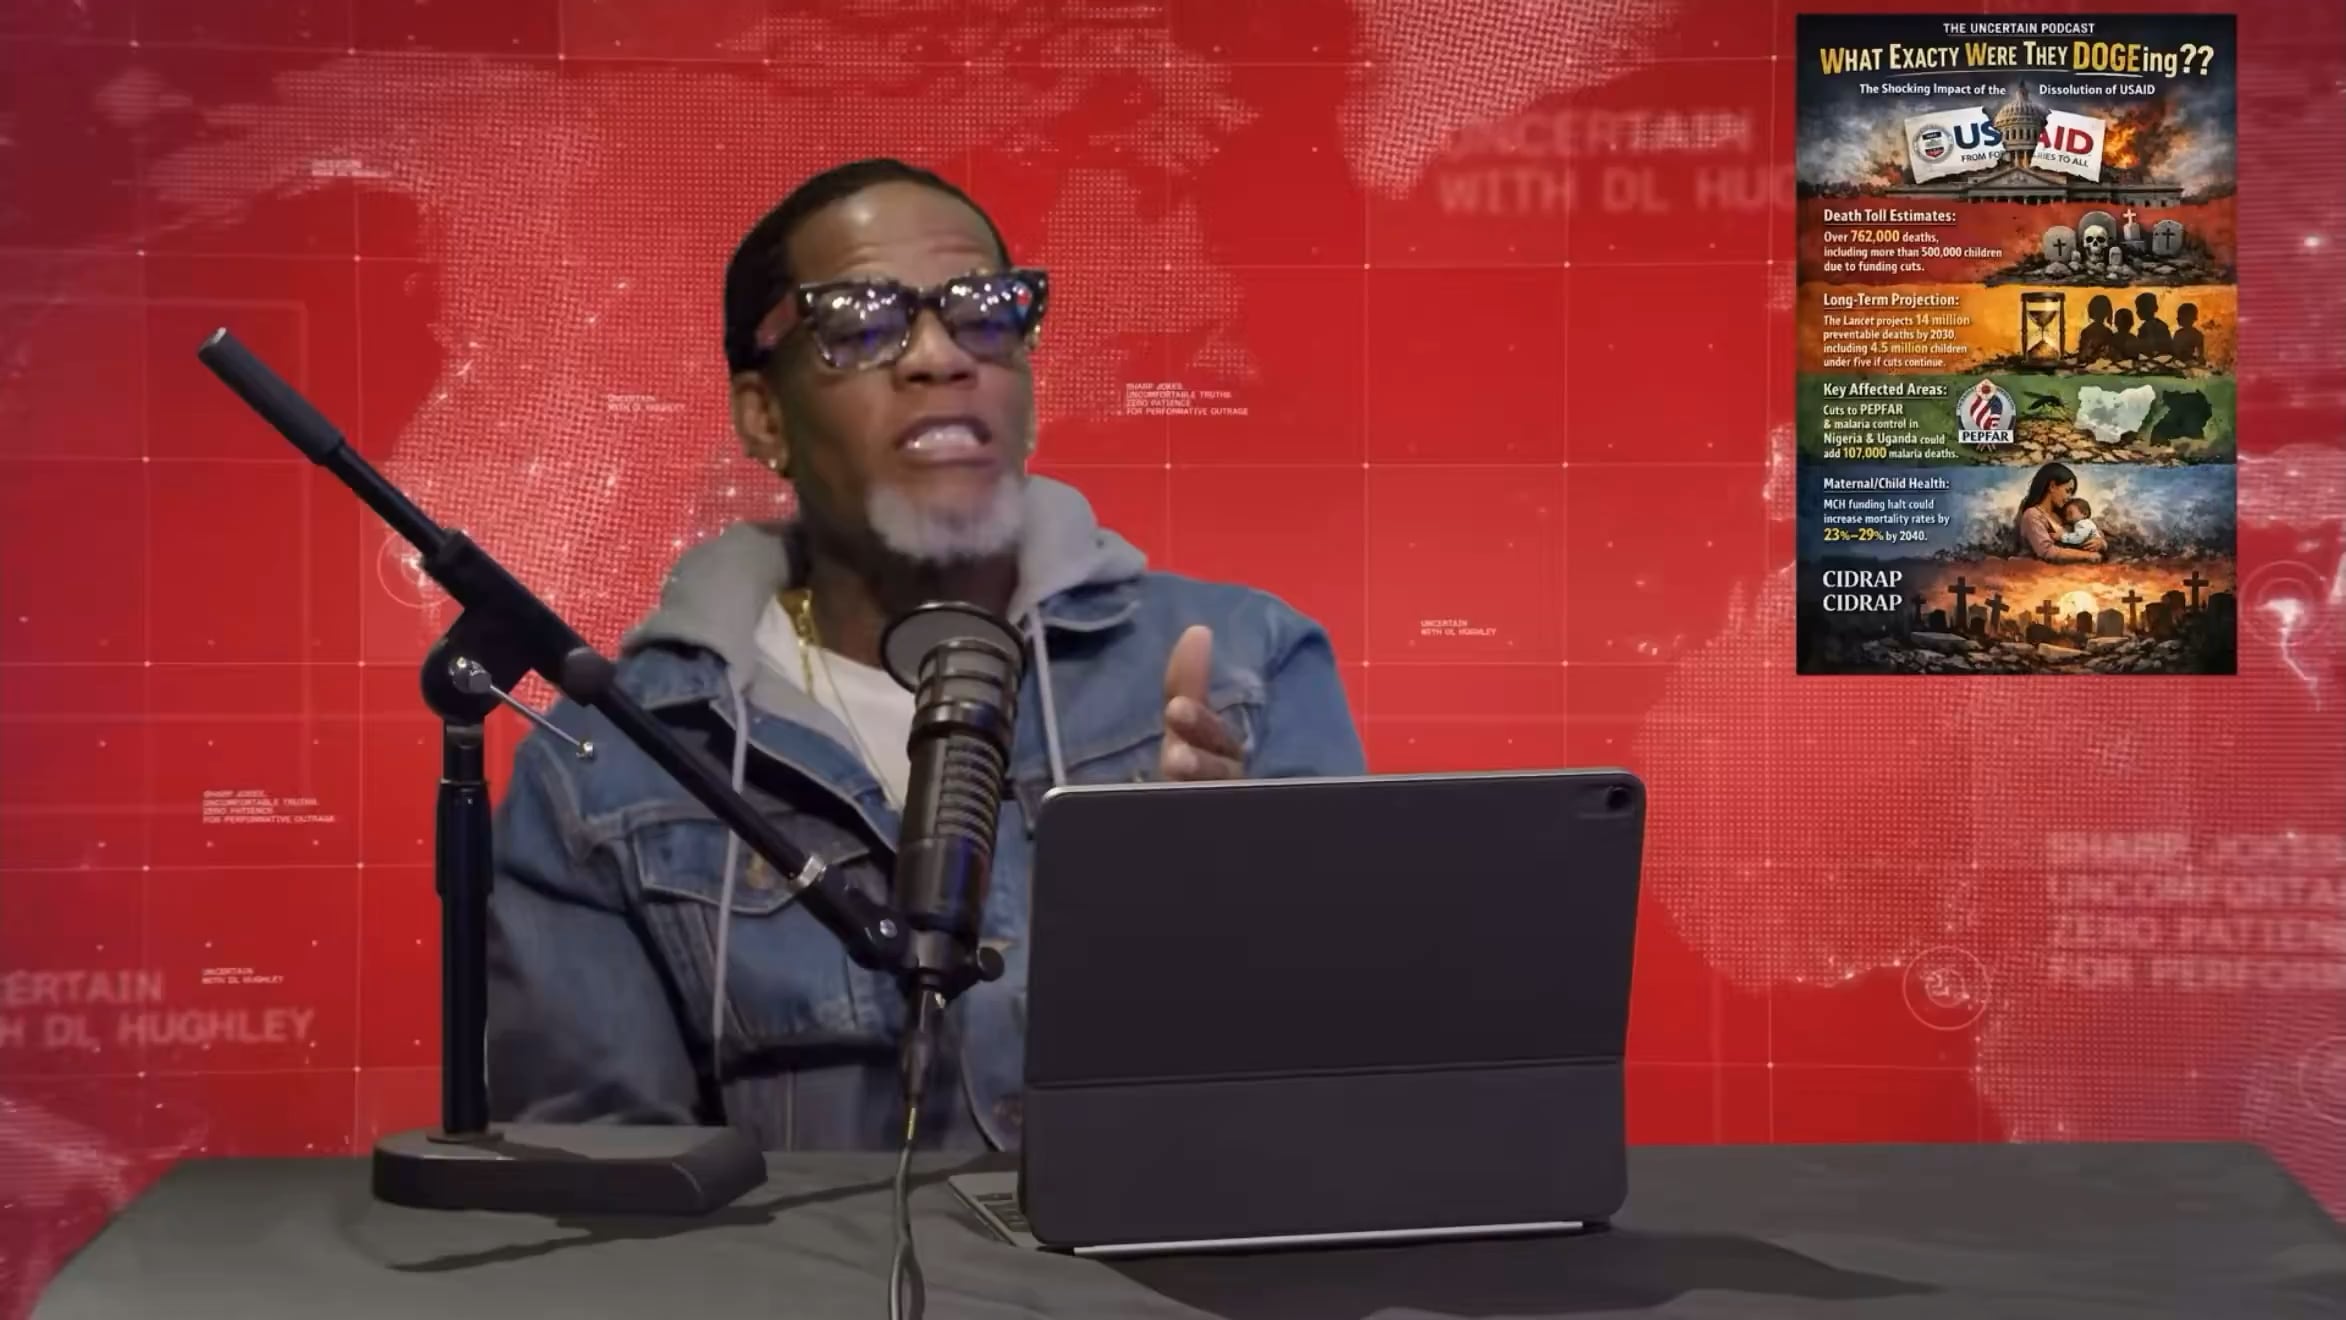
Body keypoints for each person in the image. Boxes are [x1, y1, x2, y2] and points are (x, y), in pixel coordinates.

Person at [483, 159, 1367, 1152]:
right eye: (862, 322)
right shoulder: (606, 770)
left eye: (986, 312)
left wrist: (1247, 906)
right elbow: (610, 1194)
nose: (940, 357)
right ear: (764, 417)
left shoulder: (1245, 671)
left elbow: (1360, 1100)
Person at [2014, 461, 2105, 563]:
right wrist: (2087, 555)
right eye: (2067, 491)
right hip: (2036, 569)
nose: (2069, 497)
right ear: (2052, 486)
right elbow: (2046, 552)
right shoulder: (2032, 515)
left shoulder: (2065, 513)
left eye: (2071, 493)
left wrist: (2100, 542)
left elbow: (2089, 527)